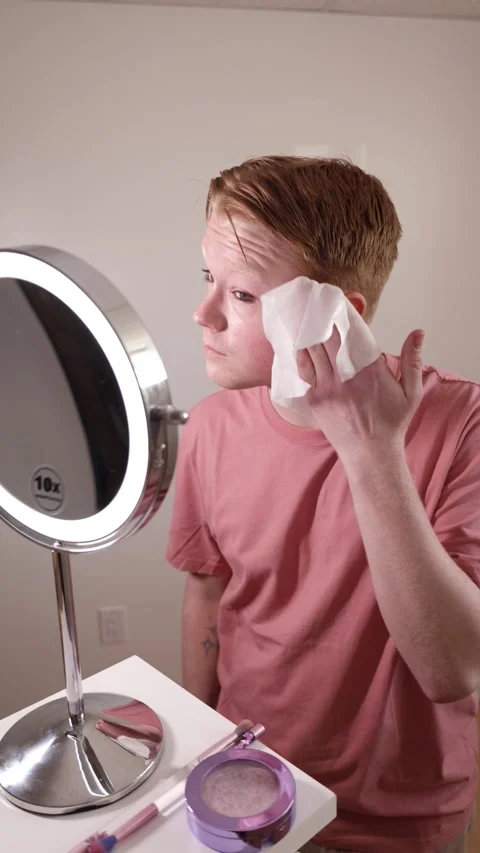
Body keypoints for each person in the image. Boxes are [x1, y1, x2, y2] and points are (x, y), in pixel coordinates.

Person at [166, 156, 479, 853]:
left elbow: (454, 668)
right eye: (207, 278)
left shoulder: (464, 425)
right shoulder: (211, 427)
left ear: (335, 313)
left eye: (241, 294)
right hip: (248, 789)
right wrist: (204, 740)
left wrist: (371, 450)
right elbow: (207, 593)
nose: (204, 314)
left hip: (401, 821)